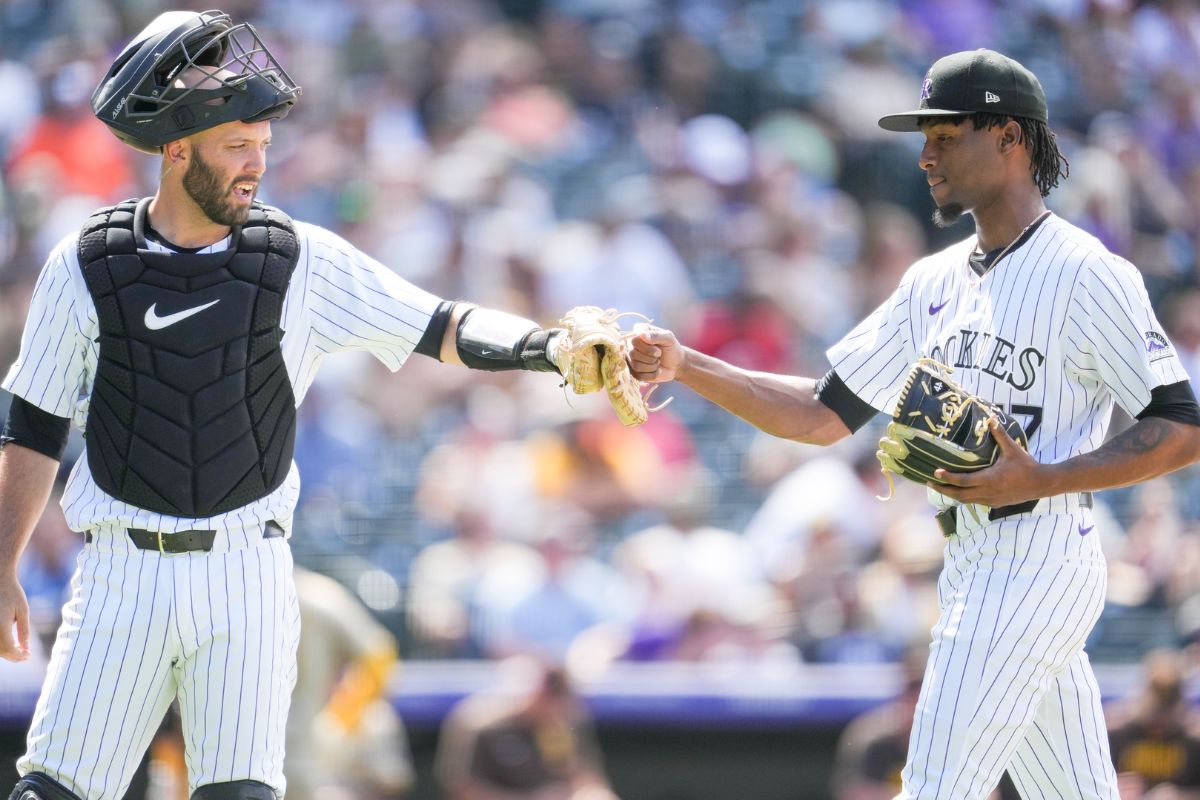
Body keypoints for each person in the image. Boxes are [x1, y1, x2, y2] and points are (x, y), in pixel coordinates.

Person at [0, 10, 580, 800]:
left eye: (263, 146)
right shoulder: (90, 261)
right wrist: (3, 562)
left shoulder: (299, 257)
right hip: (119, 570)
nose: (255, 163)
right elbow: (32, 422)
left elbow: (442, 326)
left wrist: (550, 346)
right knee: (53, 793)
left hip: (249, 568)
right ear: (176, 150)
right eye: (237, 144)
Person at [630, 48, 1200, 799]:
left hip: (1036, 556)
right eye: (923, 137)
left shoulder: (1087, 272)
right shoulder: (931, 281)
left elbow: (1182, 426)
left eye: (945, 134)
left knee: (932, 788)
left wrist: (1046, 476)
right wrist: (686, 365)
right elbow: (823, 413)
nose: (926, 155)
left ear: (1008, 136)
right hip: (972, 560)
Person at [434, 658, 618, 800]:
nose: (556, 712)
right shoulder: (478, 723)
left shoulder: (565, 723)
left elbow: (585, 777)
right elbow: (461, 788)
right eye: (550, 701)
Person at [1106, 649, 1200, 799]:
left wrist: (1181, 796)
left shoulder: (1193, 739)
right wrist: (1114, 790)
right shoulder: (1116, 734)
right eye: (1159, 692)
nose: (1162, 703)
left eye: (1169, 694)